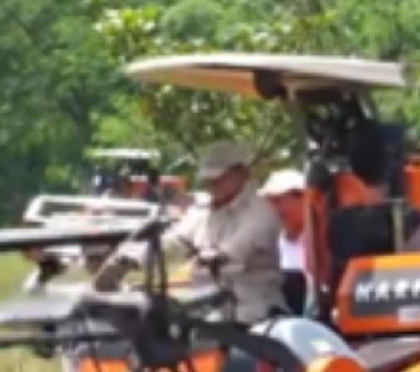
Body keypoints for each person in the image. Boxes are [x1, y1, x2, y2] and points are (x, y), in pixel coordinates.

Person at [98, 139, 287, 324]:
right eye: (209, 179)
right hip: (208, 314)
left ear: (242, 174)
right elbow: (174, 243)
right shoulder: (203, 212)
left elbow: (231, 256)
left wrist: (208, 259)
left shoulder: (261, 212)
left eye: (219, 178)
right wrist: (129, 260)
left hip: (255, 315)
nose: (212, 184)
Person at [258, 168, 309, 315]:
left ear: (303, 199)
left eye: (279, 201)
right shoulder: (271, 243)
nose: (274, 209)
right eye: (270, 202)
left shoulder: (319, 243)